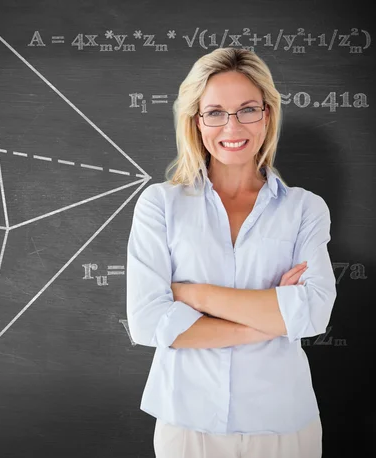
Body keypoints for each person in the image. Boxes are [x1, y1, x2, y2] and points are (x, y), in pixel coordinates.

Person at [126, 48, 337, 458]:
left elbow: (313, 313)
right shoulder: (160, 205)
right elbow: (148, 321)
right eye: (215, 112)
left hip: (282, 424)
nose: (232, 126)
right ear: (196, 120)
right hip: (186, 423)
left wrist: (192, 294)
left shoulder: (305, 209)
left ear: (268, 115)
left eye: (247, 110)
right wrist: (271, 321)